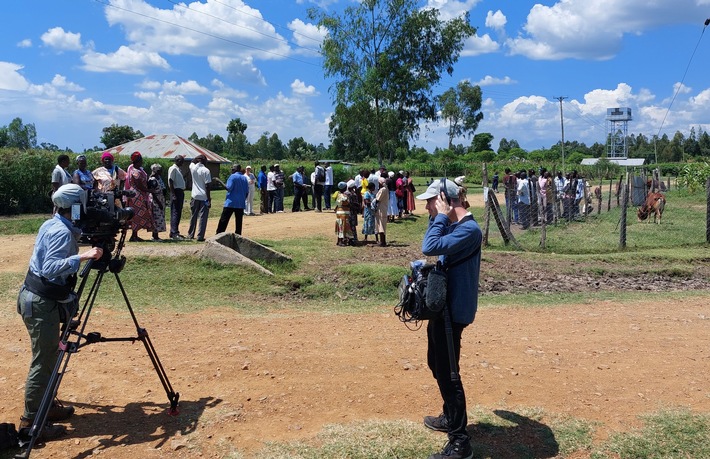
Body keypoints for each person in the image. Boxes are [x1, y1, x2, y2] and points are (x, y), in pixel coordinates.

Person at [17, 184, 104, 441]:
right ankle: (30, 422)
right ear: (75, 207)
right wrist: (85, 256)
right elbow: (50, 267)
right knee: (43, 361)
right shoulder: (62, 233)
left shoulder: (52, 224)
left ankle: (48, 406)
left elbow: (67, 237)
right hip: (41, 303)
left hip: (39, 298)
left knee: (50, 355)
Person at [417, 179, 482, 459]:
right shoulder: (456, 226)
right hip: (442, 310)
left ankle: (460, 443)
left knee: (449, 373)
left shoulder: (468, 230)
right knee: (437, 363)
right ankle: (449, 416)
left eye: (432, 201)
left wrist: (441, 216)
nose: (427, 206)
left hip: (453, 313)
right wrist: (441, 217)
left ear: (445, 199)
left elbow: (429, 246)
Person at [124, 152, 153, 242]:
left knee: (137, 215)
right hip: (137, 196)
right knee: (136, 215)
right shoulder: (135, 172)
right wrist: (149, 190)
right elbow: (140, 186)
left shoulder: (138, 170)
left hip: (138, 195)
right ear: (138, 161)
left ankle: (135, 235)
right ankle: (134, 236)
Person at [216, 164, 249, 235]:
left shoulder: (232, 176)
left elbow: (228, 188)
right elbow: (247, 192)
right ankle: (238, 236)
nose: (231, 170)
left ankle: (219, 235)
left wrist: (219, 181)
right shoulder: (244, 178)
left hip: (231, 202)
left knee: (224, 220)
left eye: (233, 169)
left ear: (236, 169)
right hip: (240, 203)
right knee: (239, 222)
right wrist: (243, 199)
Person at [188, 154, 212, 242]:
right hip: (203, 196)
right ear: (204, 161)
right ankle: (200, 236)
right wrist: (209, 198)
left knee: (193, 216)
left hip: (194, 195)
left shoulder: (193, 168)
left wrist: (196, 158)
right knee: (203, 217)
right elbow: (207, 185)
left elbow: (191, 162)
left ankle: (190, 234)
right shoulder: (206, 170)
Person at [168, 155, 186, 240]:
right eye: (181, 161)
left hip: (180, 192)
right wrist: (173, 194)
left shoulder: (178, 169)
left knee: (178, 212)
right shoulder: (173, 168)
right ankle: (174, 233)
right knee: (175, 212)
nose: (183, 163)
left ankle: (175, 231)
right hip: (176, 192)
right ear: (178, 160)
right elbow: (170, 181)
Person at [148, 164, 167, 241]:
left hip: (160, 199)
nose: (161, 171)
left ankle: (156, 235)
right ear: (156, 170)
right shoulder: (152, 180)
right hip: (156, 201)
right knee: (156, 218)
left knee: (159, 218)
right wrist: (159, 203)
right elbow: (153, 192)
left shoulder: (158, 178)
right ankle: (154, 236)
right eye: (160, 170)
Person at [333, 182, 351, 246]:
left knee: (340, 226)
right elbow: (345, 202)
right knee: (343, 227)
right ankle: (341, 241)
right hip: (344, 212)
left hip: (339, 212)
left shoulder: (337, 194)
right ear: (345, 188)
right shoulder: (344, 196)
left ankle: (339, 241)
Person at [374, 176, 389, 246]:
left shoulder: (382, 190)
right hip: (383, 208)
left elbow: (378, 199)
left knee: (381, 225)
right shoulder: (385, 189)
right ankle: (383, 241)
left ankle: (382, 242)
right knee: (382, 225)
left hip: (381, 209)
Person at [347, 180, 360, 245]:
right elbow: (356, 204)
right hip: (352, 212)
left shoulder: (345, 193)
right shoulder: (353, 194)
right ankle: (353, 239)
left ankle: (347, 239)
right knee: (352, 226)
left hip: (346, 212)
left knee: (347, 226)